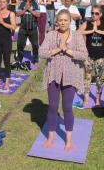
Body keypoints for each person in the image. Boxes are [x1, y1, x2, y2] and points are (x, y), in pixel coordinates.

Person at [39, 9, 88, 151]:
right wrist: (57, 50)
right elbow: (42, 53)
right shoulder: (51, 35)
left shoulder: (77, 36)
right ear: (56, 21)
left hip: (71, 75)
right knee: (53, 106)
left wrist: (66, 50)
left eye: (65, 20)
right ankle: (51, 136)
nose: (63, 22)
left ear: (70, 21)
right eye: (60, 20)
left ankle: (69, 139)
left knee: (67, 107)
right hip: (53, 74)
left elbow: (84, 55)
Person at [79, 5, 104, 106]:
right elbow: (79, 32)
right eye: (92, 13)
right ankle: (86, 98)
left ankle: (97, 99)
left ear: (101, 14)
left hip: (100, 56)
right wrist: (91, 31)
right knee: (87, 76)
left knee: (99, 78)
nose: (94, 15)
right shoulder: (87, 23)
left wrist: (98, 31)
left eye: (96, 13)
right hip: (88, 55)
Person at [16, 0, 41, 64]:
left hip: (33, 27)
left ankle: (35, 58)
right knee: (20, 44)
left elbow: (38, 15)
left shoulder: (35, 3)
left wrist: (30, 9)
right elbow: (17, 14)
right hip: (23, 27)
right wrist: (25, 9)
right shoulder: (22, 3)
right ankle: (19, 58)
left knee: (35, 45)